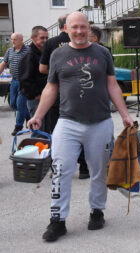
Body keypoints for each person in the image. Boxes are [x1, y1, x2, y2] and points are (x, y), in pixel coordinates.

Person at [27, 12, 134, 242]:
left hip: (100, 122)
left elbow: (112, 85)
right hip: (67, 122)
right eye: (74, 27)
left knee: (98, 171)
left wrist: (125, 115)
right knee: (60, 170)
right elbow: (51, 88)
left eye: (83, 27)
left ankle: (97, 211)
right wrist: (37, 115)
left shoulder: (103, 53)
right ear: (66, 28)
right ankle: (58, 220)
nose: (79, 31)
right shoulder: (58, 54)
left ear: (89, 28)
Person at [40, 14, 89, 179]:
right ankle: (84, 168)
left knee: (58, 133)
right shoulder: (81, 43)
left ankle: (59, 168)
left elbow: (42, 68)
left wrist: (60, 74)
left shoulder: (50, 43)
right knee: (82, 132)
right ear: (67, 26)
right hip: (81, 92)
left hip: (59, 95)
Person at [19, 26, 50, 136]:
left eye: (47, 38)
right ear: (33, 37)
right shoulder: (29, 55)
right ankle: (37, 152)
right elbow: (24, 80)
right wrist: (37, 95)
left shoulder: (42, 53)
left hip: (44, 98)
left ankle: (45, 152)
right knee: (39, 132)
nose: (45, 40)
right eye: (42, 38)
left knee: (45, 131)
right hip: (36, 99)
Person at [0, 33, 30, 136]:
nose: (13, 41)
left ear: (21, 40)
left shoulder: (28, 51)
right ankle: (29, 117)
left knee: (20, 105)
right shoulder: (9, 51)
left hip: (25, 82)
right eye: (12, 39)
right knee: (13, 104)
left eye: (15, 39)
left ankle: (18, 127)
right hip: (14, 81)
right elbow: (3, 64)